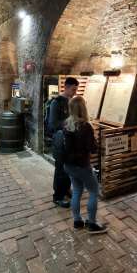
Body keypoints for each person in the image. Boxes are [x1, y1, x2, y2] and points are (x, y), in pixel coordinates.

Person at [63, 96, 107, 234]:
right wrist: (95, 142)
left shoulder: (66, 124)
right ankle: (92, 224)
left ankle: (77, 221)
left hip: (69, 165)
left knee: (76, 191)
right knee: (94, 190)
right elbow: (92, 148)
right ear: (83, 108)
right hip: (82, 165)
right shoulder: (86, 126)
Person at [47, 77, 79, 207]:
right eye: (73, 89)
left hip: (69, 142)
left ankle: (66, 189)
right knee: (60, 169)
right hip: (60, 141)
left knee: (68, 168)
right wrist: (70, 123)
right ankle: (57, 196)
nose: (75, 92)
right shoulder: (56, 102)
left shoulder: (71, 101)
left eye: (76, 89)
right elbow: (53, 124)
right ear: (66, 87)